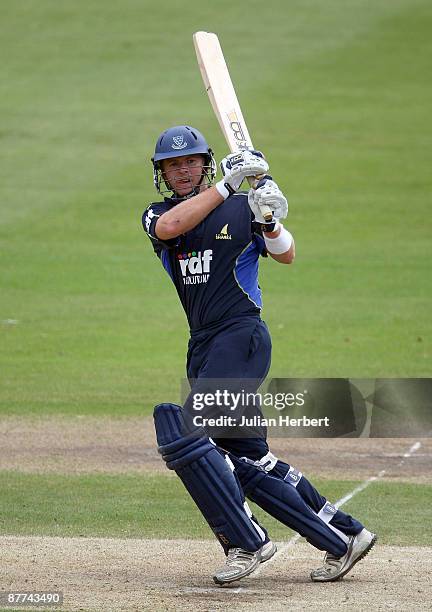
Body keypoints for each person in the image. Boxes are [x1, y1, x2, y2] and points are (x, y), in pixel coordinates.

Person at [143, 125, 377, 585]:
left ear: (205, 162)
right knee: (248, 461)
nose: (183, 170)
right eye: (174, 165)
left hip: (241, 335)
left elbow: (285, 254)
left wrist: (269, 220)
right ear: (163, 175)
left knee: (186, 436)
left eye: (191, 161)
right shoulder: (158, 215)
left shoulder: (240, 206)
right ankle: (344, 537)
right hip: (204, 344)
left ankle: (246, 542)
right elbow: (174, 227)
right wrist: (229, 184)